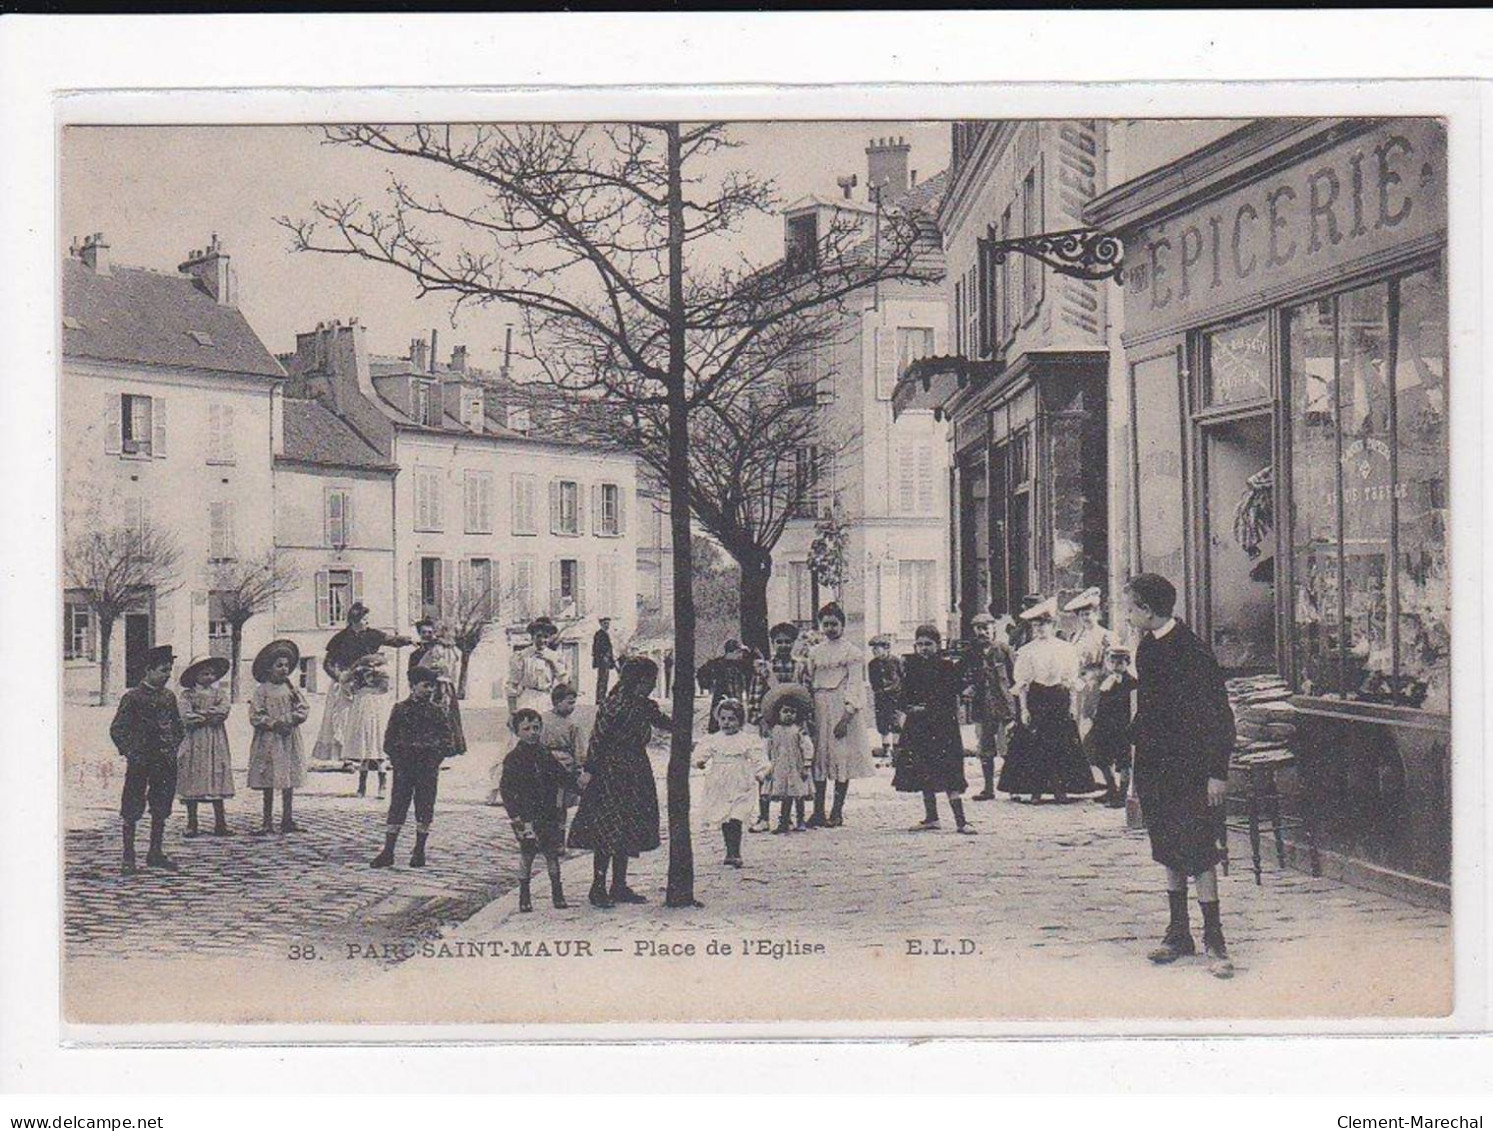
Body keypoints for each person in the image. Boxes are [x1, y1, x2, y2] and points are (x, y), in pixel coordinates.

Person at [1125, 573, 1237, 979]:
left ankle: (1214, 936)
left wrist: (1216, 772)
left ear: (1149, 610)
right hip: (1157, 767)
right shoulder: (1147, 648)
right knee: (1168, 846)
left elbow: (1218, 715)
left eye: (1131, 607)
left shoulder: (1193, 651)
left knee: (1201, 851)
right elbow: (1151, 709)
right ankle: (1178, 933)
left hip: (1192, 768)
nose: (1128, 615)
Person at [568, 656, 671, 908]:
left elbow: (666, 724)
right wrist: (590, 770)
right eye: (650, 680)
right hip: (611, 771)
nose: (651, 685)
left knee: (626, 826)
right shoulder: (613, 705)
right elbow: (598, 739)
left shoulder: (645, 706)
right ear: (639, 680)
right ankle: (598, 886)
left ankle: (618, 885)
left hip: (634, 769)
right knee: (608, 827)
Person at [997, 598, 1099, 803]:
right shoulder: (1027, 650)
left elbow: (1070, 680)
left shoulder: (1065, 649)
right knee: (1035, 744)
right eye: (1036, 625)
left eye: (1044, 624)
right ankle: (1035, 789)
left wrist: (1071, 705)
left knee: (1059, 743)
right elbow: (1023, 683)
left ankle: (1059, 789)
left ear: (1053, 626)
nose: (1040, 629)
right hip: (1037, 698)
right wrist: (1024, 710)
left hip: (1058, 699)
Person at [371, 665, 456, 869]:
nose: (430, 691)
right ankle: (388, 851)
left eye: (432, 687)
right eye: (426, 686)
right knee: (398, 806)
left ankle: (419, 850)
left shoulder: (437, 711)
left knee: (425, 806)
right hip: (405, 767)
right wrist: (399, 761)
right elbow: (389, 741)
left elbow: (447, 740)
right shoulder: (400, 709)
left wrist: (434, 759)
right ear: (413, 686)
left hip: (427, 767)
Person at [894, 625, 977, 834]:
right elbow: (904, 696)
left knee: (950, 772)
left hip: (943, 728)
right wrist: (910, 707)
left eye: (928, 644)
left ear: (937, 645)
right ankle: (931, 817)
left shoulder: (947, 667)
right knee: (924, 771)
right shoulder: (910, 667)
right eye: (920, 644)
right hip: (918, 727)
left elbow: (950, 694)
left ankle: (961, 821)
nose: (923, 649)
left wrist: (928, 707)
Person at [109, 644, 185, 874]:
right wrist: (131, 752)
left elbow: (178, 726)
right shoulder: (132, 697)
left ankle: (155, 852)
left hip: (164, 760)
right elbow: (117, 729)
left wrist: (173, 747)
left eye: (169, 670)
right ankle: (128, 856)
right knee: (132, 806)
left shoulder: (169, 697)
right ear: (149, 670)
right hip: (140, 761)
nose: (167, 674)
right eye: (163, 670)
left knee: (161, 805)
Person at [315, 602, 412, 769]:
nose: (367, 622)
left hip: (369, 682)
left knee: (370, 718)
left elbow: (392, 641)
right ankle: (347, 759)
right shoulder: (340, 638)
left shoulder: (372, 634)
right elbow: (328, 663)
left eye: (367, 619)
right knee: (344, 718)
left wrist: (409, 640)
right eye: (364, 619)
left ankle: (371, 755)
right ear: (354, 620)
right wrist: (340, 677)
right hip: (347, 682)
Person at [802, 602, 873, 827]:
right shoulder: (814, 653)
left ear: (843, 625)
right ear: (820, 626)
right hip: (820, 706)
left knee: (840, 757)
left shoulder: (852, 653)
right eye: (826, 624)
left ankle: (837, 811)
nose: (830, 628)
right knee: (819, 756)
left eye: (835, 624)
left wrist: (847, 715)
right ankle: (818, 811)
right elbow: (808, 682)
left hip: (841, 706)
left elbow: (855, 686)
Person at [499, 707, 572, 911]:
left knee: (551, 853)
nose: (533, 732)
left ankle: (557, 894)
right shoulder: (513, 758)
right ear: (517, 732)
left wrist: (579, 785)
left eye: (536, 727)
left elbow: (561, 776)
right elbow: (506, 790)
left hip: (547, 812)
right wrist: (515, 816)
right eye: (527, 728)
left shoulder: (544, 754)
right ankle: (524, 896)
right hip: (525, 815)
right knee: (527, 853)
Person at [694, 698, 771, 867]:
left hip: (741, 781)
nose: (726, 723)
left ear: (740, 721)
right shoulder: (714, 739)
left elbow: (759, 758)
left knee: (736, 816)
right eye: (723, 719)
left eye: (731, 719)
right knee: (725, 816)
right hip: (720, 782)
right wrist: (699, 761)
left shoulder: (747, 739)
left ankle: (735, 852)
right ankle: (730, 851)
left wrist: (761, 772)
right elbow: (701, 754)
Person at [246, 640, 310, 835]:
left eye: (287, 666)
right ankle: (266, 821)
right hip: (269, 740)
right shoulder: (262, 690)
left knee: (288, 777)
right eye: (279, 665)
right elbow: (255, 714)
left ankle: (287, 818)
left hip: (288, 738)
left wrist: (290, 720)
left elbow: (303, 708)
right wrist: (273, 723)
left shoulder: (292, 689)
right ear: (269, 668)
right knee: (269, 779)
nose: (284, 669)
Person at [176, 655, 235, 838]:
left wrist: (204, 714)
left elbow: (223, 711)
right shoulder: (187, 695)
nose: (209, 677)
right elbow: (185, 715)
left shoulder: (220, 694)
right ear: (195, 676)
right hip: (195, 741)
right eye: (204, 674)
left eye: (212, 674)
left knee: (216, 774)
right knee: (194, 775)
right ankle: (192, 822)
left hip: (215, 740)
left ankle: (220, 823)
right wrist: (203, 717)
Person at [968, 613, 1016, 801]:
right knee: (984, 749)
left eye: (986, 628)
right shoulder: (971, 652)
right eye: (979, 628)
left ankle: (1013, 788)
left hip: (1004, 706)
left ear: (993, 628)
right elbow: (964, 675)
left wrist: (1017, 706)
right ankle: (988, 789)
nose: (983, 632)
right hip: (982, 708)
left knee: (1007, 748)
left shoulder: (1004, 650)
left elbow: (1016, 678)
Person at [1065, 587, 1119, 742]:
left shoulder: (1106, 636)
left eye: (1088, 614)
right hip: (1077, 686)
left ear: (1096, 614)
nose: (1085, 618)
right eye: (1081, 615)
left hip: (1095, 685)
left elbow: (1110, 666)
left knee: (1090, 725)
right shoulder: (1076, 636)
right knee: (1075, 723)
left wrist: (1094, 679)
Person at [760, 684, 815, 833]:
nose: (789, 715)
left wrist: (806, 765)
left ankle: (801, 820)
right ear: (778, 713)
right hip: (780, 768)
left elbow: (807, 747)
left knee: (798, 795)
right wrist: (767, 767)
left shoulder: (799, 731)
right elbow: (768, 749)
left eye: (792, 712)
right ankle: (784, 821)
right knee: (785, 796)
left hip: (796, 768)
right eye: (785, 711)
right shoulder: (774, 731)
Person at [409, 618, 467, 757]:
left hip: (442, 686)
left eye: (431, 632)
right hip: (428, 686)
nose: (428, 635)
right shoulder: (417, 653)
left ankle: (446, 748)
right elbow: (414, 671)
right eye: (424, 633)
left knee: (445, 716)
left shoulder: (445, 649)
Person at [1089, 646, 1137, 808]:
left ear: (1127, 663)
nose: (1116, 665)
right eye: (1112, 661)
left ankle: (1122, 794)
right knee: (1102, 759)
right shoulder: (1106, 681)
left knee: (1124, 762)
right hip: (1104, 726)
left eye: (1120, 662)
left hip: (1122, 728)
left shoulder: (1132, 683)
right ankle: (1111, 788)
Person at [541, 683, 585, 851]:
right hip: (545, 766)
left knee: (560, 807)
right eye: (569, 702)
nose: (572, 707)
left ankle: (559, 842)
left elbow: (579, 749)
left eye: (574, 703)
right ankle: (543, 839)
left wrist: (579, 768)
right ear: (557, 702)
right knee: (544, 805)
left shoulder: (574, 724)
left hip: (564, 768)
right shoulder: (543, 719)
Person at [343, 652, 393, 799]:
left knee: (379, 746)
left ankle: (382, 785)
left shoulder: (383, 677)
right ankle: (362, 785)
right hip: (363, 709)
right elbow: (347, 685)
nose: (372, 668)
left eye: (375, 665)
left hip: (377, 710)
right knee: (364, 748)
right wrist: (356, 672)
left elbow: (385, 688)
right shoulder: (358, 676)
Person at [506, 617, 570, 718]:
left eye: (546, 637)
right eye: (538, 636)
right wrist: (512, 711)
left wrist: (552, 663)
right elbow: (512, 684)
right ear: (532, 637)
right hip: (527, 699)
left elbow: (564, 682)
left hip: (547, 699)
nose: (542, 640)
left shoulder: (555, 656)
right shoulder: (522, 656)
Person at [696, 639, 752, 735]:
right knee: (719, 723)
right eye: (739, 652)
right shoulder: (716, 663)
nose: (741, 655)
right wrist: (709, 686)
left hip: (735, 699)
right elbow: (701, 674)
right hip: (720, 700)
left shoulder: (740, 664)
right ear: (734, 652)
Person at [867, 634, 904, 765]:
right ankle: (886, 751)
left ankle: (897, 753)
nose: (874, 651)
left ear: (886, 648)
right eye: (873, 649)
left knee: (896, 724)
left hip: (895, 698)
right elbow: (873, 681)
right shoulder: (872, 664)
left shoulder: (896, 661)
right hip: (881, 698)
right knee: (882, 725)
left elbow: (902, 678)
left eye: (878, 648)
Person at [592, 617, 617, 702]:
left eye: (608, 623)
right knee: (602, 680)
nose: (607, 625)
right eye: (605, 623)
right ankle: (600, 698)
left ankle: (601, 697)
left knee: (605, 679)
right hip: (603, 661)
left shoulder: (605, 634)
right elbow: (597, 649)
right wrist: (604, 658)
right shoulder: (599, 634)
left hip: (606, 660)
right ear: (601, 624)